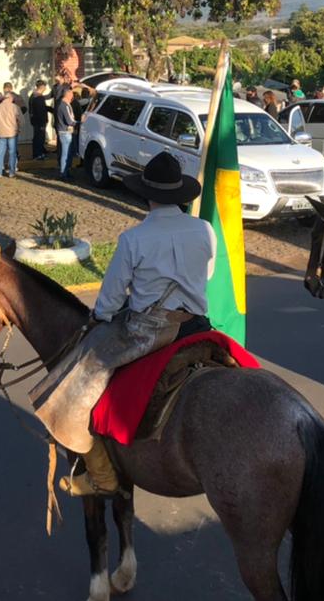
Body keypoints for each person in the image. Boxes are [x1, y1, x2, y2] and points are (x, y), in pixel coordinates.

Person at [30, 151, 215, 497]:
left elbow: (111, 299)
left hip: (149, 331)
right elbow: (207, 274)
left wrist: (102, 316)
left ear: (147, 194)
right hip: (197, 325)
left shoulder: (134, 239)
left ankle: (101, 475)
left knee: (82, 378)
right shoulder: (205, 229)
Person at [0, 88, 21, 178]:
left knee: (0, 153)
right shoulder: (15, 107)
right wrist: (18, 128)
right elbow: (21, 120)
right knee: (12, 152)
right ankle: (11, 172)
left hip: (0, 133)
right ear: (10, 98)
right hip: (12, 133)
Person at [56, 87, 77, 180]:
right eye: (71, 94)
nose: (72, 96)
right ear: (67, 94)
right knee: (66, 154)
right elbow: (69, 121)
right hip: (65, 132)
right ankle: (64, 173)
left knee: (67, 153)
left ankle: (66, 172)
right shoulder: (64, 106)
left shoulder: (62, 104)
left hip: (64, 131)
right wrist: (80, 122)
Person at [29, 80, 50, 161]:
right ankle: (38, 154)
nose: (45, 89)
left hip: (35, 121)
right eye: (45, 87)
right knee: (39, 138)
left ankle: (38, 153)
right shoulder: (38, 97)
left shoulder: (33, 96)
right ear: (42, 87)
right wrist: (42, 123)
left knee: (37, 137)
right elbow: (40, 111)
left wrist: (52, 110)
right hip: (40, 122)